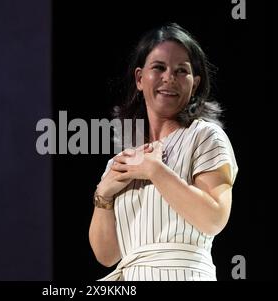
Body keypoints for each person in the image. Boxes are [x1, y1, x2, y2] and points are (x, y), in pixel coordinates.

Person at [88, 23, 238, 281]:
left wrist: (155, 171)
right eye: (159, 67)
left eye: (182, 71)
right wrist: (103, 195)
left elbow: (214, 218)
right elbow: (107, 255)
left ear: (195, 83)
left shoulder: (204, 137)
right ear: (139, 79)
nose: (170, 77)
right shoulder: (121, 162)